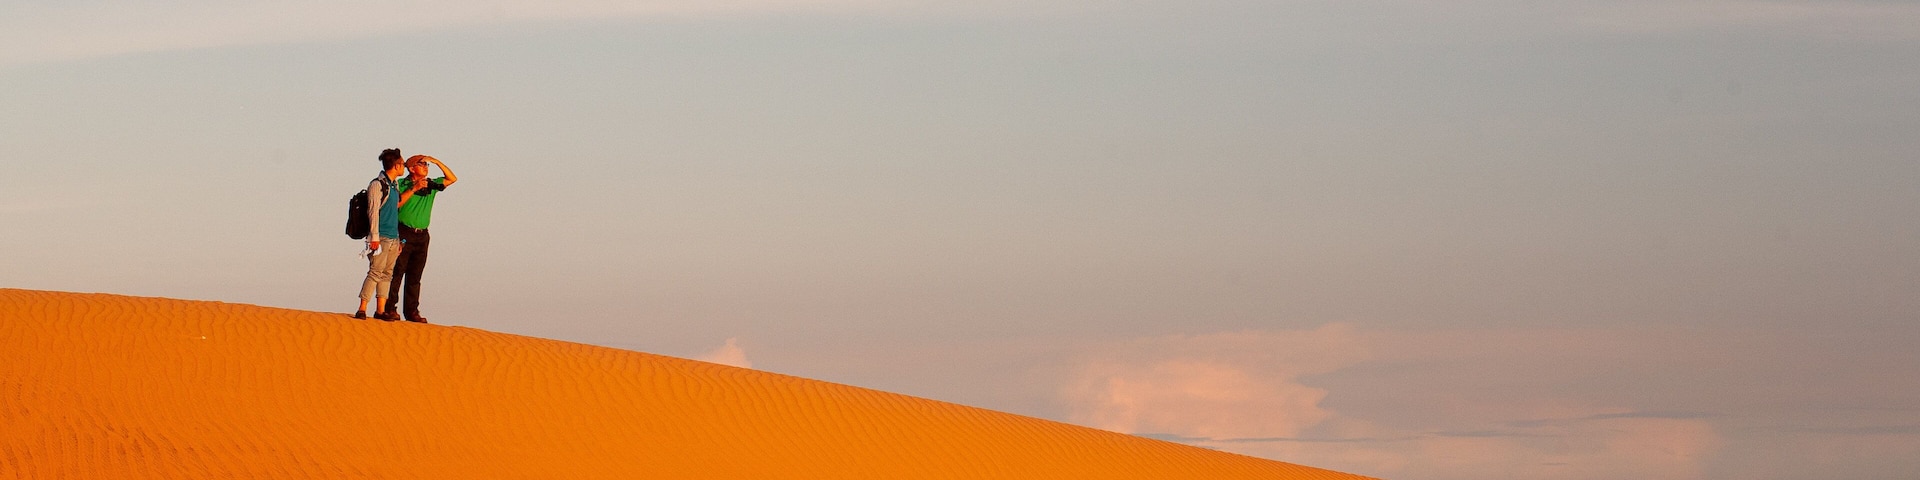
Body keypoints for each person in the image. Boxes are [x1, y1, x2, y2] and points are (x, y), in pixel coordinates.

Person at [383, 154, 458, 323]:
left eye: (427, 164)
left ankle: (412, 312)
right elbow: (396, 204)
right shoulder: (401, 184)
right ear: (411, 168)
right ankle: (389, 309)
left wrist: (437, 161)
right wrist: (414, 188)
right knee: (397, 272)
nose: (426, 167)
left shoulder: (431, 184)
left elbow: (452, 178)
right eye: (422, 164)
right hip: (403, 232)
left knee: (415, 276)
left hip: (422, 235)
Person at [356, 149, 408, 321]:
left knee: (387, 274)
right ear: (396, 165)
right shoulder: (377, 185)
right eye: (402, 164)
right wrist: (374, 237)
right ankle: (362, 308)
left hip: (393, 237)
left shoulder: (395, 185)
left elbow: (395, 211)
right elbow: (372, 211)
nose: (404, 167)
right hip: (381, 237)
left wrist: (399, 240)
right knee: (375, 272)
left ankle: (380, 310)